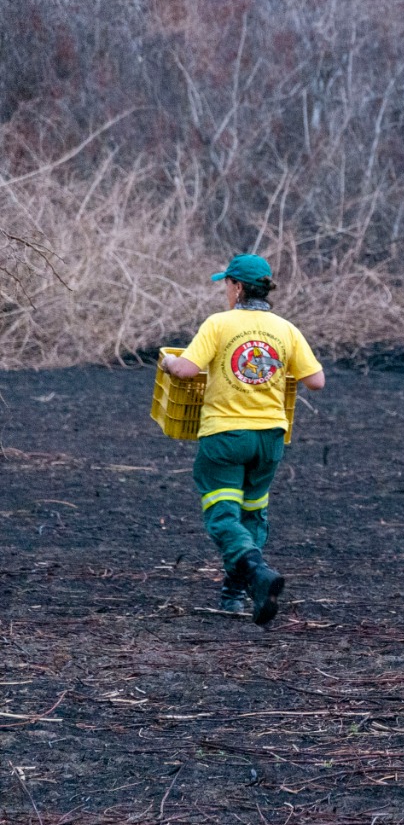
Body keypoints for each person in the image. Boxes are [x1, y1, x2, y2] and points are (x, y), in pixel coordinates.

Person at [160, 254, 325, 625]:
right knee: (252, 513)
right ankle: (235, 595)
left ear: (237, 287)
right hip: (270, 438)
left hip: (225, 436)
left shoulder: (219, 324)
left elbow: (186, 370)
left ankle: (256, 571)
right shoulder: (285, 329)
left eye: (226, 285)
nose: (225, 291)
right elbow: (317, 381)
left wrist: (169, 363)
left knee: (223, 514)